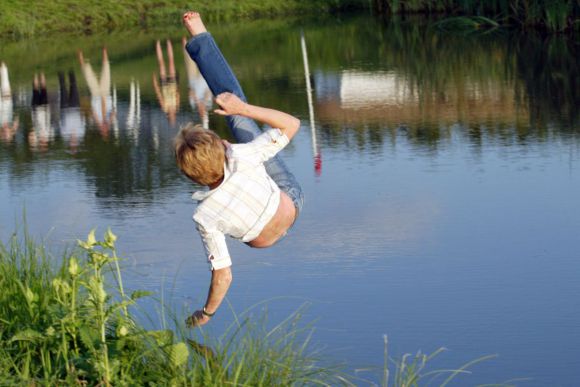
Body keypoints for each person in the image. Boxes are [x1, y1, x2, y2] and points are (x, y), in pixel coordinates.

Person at [176, 12, 304, 327]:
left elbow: (223, 275)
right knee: (237, 115)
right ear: (223, 148)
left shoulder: (202, 216)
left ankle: (201, 42)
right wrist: (242, 109)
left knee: (238, 120)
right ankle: (201, 38)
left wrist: (206, 314)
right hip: (291, 202)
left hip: (265, 236)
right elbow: (292, 124)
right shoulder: (242, 156)